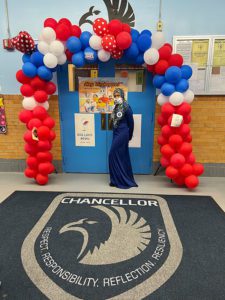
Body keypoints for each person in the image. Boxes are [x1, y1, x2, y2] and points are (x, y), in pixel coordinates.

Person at [109, 88, 138, 189]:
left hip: (123, 133)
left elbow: (131, 123)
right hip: (116, 132)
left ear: (122, 95)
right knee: (117, 156)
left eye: (118, 95)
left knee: (113, 153)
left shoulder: (126, 107)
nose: (116, 97)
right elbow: (114, 120)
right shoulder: (116, 107)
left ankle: (123, 180)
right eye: (115, 95)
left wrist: (129, 135)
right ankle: (115, 180)